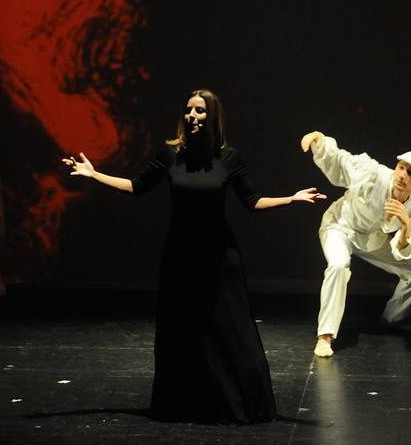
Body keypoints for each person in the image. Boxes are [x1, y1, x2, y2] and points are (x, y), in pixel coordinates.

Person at [62, 88, 325, 423]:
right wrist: (94, 174)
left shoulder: (229, 158)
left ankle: (243, 404)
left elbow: (252, 202)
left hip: (219, 256)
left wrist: (291, 198)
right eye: (189, 110)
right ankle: (184, 404)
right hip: (181, 255)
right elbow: (137, 186)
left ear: (212, 117)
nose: (193, 116)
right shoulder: (170, 156)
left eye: (200, 111)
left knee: (231, 330)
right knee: (181, 331)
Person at [300, 130, 411, 357]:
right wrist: (319, 140)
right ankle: (326, 336)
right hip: (339, 227)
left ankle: (393, 318)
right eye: (400, 168)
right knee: (339, 265)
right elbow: (340, 161)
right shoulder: (373, 173)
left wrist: (406, 224)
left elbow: (403, 250)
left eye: (410, 173)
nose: (402, 175)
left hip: (371, 240)